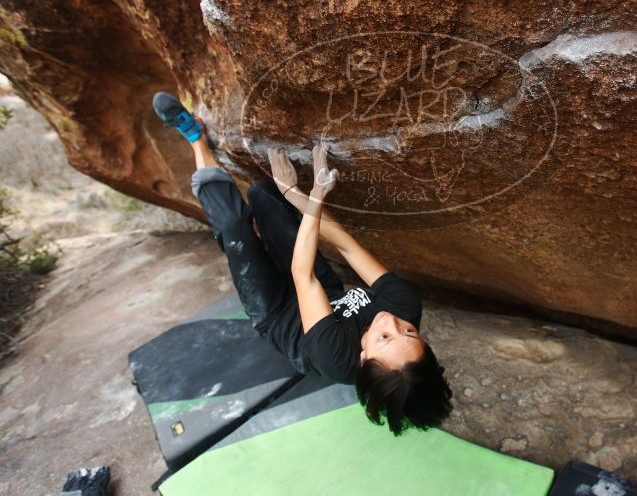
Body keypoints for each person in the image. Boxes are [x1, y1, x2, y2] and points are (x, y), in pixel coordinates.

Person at [158, 96, 453, 436]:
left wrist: (314, 201)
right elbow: (348, 247)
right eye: (409, 331)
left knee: (233, 227)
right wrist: (295, 194)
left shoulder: (335, 358)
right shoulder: (404, 307)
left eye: (384, 337)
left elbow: (302, 277)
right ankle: (261, 187)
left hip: (277, 312)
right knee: (265, 194)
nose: (391, 321)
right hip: (324, 294)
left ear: (362, 358)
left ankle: (195, 139)